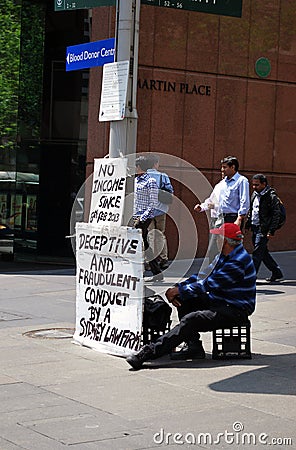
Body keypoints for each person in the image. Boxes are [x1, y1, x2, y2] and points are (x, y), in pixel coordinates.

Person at [126, 223, 256, 370]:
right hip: (220, 301)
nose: (215, 240)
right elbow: (201, 275)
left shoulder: (238, 261)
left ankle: (148, 352)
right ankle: (193, 346)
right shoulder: (224, 256)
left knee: (191, 319)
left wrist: (179, 291)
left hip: (235, 309)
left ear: (225, 241)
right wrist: (179, 289)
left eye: (218, 237)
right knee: (185, 299)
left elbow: (208, 284)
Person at [194, 156, 249, 260]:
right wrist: (201, 207)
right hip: (219, 219)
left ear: (233, 167)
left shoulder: (242, 181)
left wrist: (239, 219)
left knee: (231, 248)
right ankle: (214, 272)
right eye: (222, 167)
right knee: (213, 248)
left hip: (232, 219)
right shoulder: (221, 184)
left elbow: (244, 201)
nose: (222, 170)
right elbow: (211, 200)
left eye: (224, 167)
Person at [245, 174, 284, 282]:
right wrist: (248, 224)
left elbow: (276, 215)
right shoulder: (254, 194)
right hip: (255, 227)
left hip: (264, 229)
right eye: (253, 185)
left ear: (264, 184)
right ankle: (277, 272)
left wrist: (271, 230)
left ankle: (250, 277)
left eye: (257, 185)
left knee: (257, 253)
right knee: (263, 252)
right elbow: (252, 210)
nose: (254, 187)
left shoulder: (271, 196)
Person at [133, 156, 163, 282]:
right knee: (144, 244)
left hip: (144, 217)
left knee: (138, 243)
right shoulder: (135, 180)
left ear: (139, 167)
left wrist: (142, 218)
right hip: (134, 215)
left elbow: (153, 203)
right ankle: (157, 272)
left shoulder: (150, 181)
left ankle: (138, 271)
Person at [146, 154, 174, 270]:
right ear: (155, 164)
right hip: (161, 209)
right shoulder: (163, 176)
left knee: (150, 234)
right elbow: (170, 191)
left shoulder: (143, 176)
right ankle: (164, 259)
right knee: (160, 234)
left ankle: (150, 260)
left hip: (146, 210)